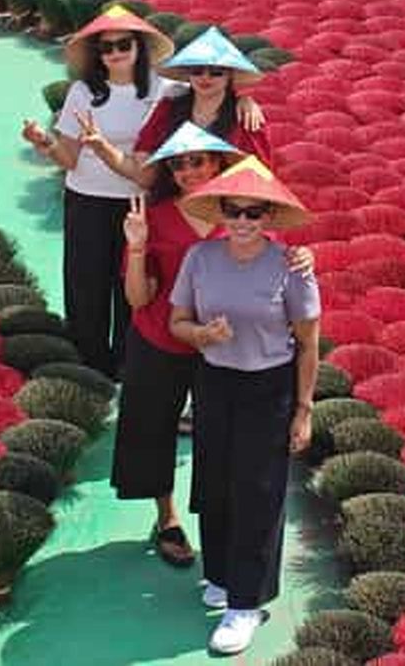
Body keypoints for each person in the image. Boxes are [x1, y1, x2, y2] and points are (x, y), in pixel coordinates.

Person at [111, 125, 315, 571]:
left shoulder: (244, 209)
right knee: (152, 432)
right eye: (178, 163)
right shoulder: (155, 216)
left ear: (219, 163)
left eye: (197, 161)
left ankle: (222, 529)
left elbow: (278, 261)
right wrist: (138, 247)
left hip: (225, 355)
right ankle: (166, 519)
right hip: (161, 340)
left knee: (219, 445)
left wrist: (303, 259)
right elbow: (137, 299)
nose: (187, 171)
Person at [169, 155, 320, 656]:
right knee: (214, 482)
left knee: (258, 491)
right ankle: (219, 574)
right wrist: (201, 334)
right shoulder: (200, 259)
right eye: (233, 211)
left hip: (269, 389)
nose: (241, 222)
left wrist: (303, 409)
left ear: (269, 218)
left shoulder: (291, 267)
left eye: (253, 213)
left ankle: (246, 602)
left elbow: (308, 342)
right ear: (220, 213)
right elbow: (177, 323)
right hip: (213, 383)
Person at [21, 3, 173, 379]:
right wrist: (45, 144)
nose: (116, 53)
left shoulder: (164, 89)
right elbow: (70, 158)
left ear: (139, 48)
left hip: (136, 204)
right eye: (107, 47)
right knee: (86, 283)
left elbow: (213, 87)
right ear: (97, 55)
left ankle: (128, 360)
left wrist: (246, 98)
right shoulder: (82, 91)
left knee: (132, 284)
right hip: (87, 199)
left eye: (124, 44)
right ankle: (89, 362)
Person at [78, 26, 271, 192]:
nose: (205, 78)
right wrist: (101, 147)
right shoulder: (168, 109)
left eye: (216, 72)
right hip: (173, 207)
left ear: (230, 76)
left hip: (225, 213)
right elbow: (143, 175)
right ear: (188, 74)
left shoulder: (245, 117)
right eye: (197, 70)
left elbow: (261, 178)